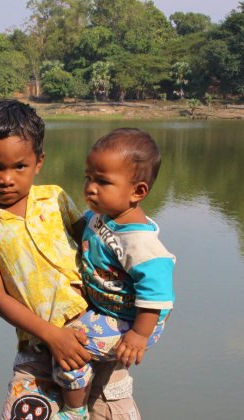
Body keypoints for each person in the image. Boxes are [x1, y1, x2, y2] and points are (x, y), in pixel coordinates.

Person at [0, 100, 140, 420]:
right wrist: (53, 335)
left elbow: (96, 245)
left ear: (38, 162)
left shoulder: (54, 197)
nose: (6, 179)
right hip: (39, 351)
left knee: (111, 411)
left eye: (19, 166)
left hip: (97, 334)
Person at [53, 128, 176, 418]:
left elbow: (158, 296)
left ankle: (74, 409)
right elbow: (79, 234)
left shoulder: (140, 243)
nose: (90, 188)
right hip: (107, 308)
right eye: (88, 177)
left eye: (103, 181)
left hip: (134, 320)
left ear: (138, 191)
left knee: (71, 344)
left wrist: (137, 336)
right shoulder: (101, 217)